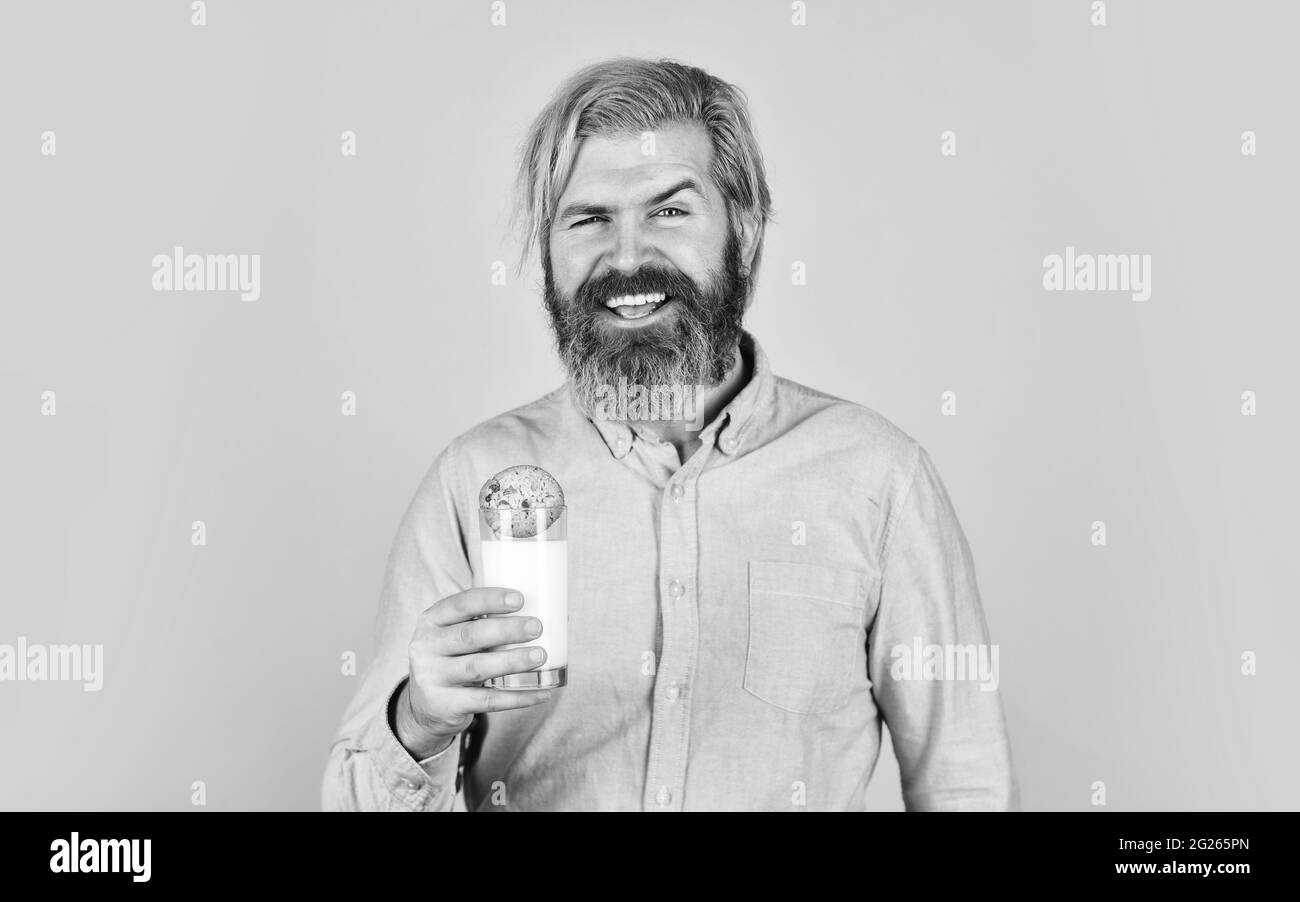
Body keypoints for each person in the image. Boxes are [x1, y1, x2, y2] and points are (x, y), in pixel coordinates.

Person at [322, 57, 1019, 811]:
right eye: (589, 219)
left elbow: (966, 784)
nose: (627, 258)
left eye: (669, 212)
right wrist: (419, 720)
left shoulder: (881, 479)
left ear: (744, 233)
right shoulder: (477, 482)